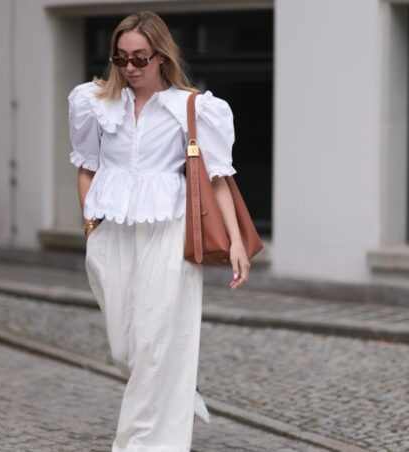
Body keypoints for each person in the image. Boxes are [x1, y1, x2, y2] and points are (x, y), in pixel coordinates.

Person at [67, 10, 250, 452]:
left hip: (169, 233)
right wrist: (90, 225)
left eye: (140, 58)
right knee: (124, 348)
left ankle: (139, 444)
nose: (129, 67)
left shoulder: (192, 107)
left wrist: (237, 242)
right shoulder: (94, 103)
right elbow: (86, 167)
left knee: (152, 346)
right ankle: (179, 389)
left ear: (162, 57)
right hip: (112, 234)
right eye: (121, 57)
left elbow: (218, 180)